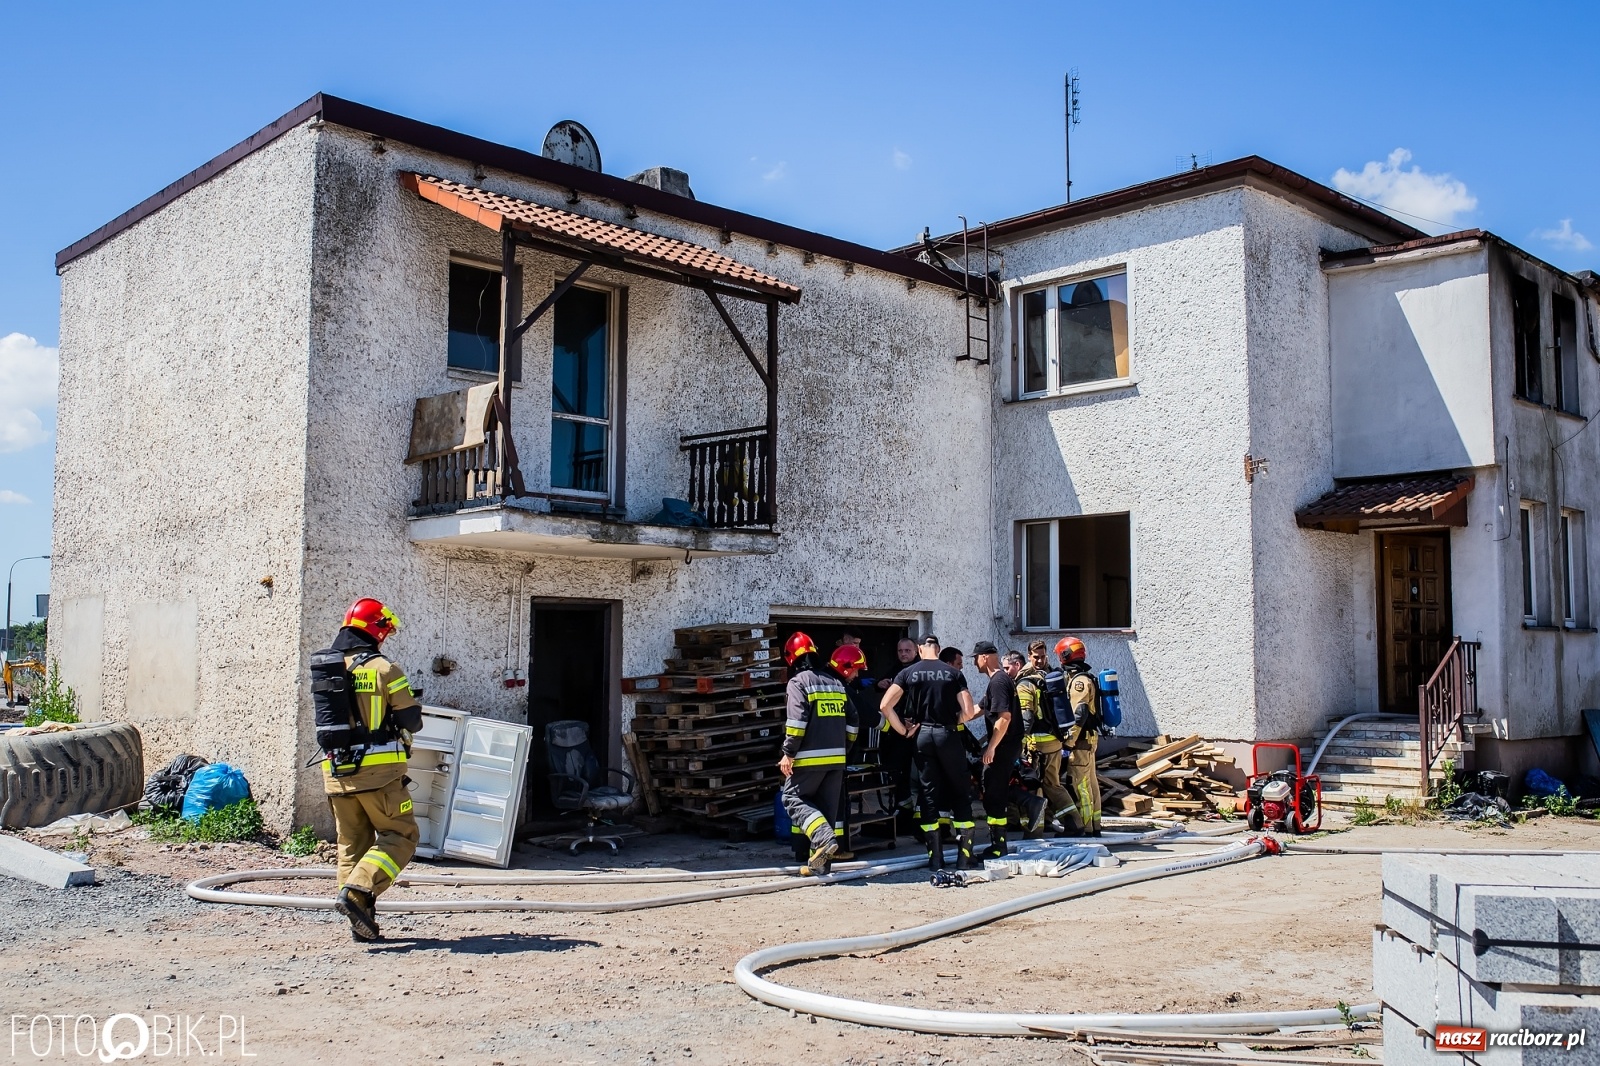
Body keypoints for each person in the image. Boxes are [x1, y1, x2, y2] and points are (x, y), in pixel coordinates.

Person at [318, 597, 423, 942]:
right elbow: (412, 720)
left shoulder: (330, 667)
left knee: (353, 845)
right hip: (378, 775)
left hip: (336, 774)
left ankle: (360, 921)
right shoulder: (383, 669)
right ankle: (358, 893)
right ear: (375, 630)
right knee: (401, 836)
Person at [880, 634, 980, 871]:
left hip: (922, 736)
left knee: (928, 793)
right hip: (948, 734)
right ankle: (964, 857)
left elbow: (885, 705)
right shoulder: (953, 673)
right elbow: (967, 711)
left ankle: (935, 859)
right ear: (939, 648)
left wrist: (904, 731)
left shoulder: (908, 673)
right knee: (960, 790)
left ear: (918, 649)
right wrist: (955, 718)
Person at [779, 631, 858, 876]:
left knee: (791, 799)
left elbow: (797, 722)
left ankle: (823, 839)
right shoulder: (836, 683)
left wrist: (788, 752)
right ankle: (820, 865)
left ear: (791, 658)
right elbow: (854, 722)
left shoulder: (798, 682)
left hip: (808, 758)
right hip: (837, 760)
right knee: (825, 810)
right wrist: (845, 749)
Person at [1016, 640, 1076, 835]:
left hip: (1036, 744)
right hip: (1055, 741)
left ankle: (1033, 831)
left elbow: (1026, 718)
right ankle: (1073, 823)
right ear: (1029, 656)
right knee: (1053, 784)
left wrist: (1018, 742)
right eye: (1036, 657)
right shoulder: (1054, 676)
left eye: (1042, 656)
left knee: (1032, 787)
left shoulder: (1025, 683)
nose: (1040, 660)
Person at [973, 641, 1024, 859]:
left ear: (984, 657)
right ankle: (998, 842)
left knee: (994, 793)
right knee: (994, 788)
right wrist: (952, 719)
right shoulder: (999, 681)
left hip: (1004, 745)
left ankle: (998, 846)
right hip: (1007, 745)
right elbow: (979, 709)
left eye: (975, 658)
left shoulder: (998, 682)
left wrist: (991, 748)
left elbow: (1004, 718)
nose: (974, 663)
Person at [1054, 635, 1103, 837]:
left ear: (1065, 655)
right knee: (1091, 783)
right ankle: (1095, 825)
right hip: (1089, 739)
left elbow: (1079, 713)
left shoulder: (1079, 682)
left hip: (1080, 741)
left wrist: (1068, 742)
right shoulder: (1085, 676)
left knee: (1079, 784)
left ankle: (1084, 827)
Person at [876, 636, 921, 828]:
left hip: (919, 730)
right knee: (897, 771)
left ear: (917, 651)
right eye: (900, 651)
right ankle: (904, 810)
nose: (903, 654)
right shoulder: (896, 670)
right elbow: (881, 689)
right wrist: (880, 684)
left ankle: (922, 813)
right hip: (898, 731)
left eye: (907, 651)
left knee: (923, 773)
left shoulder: (921, 670)